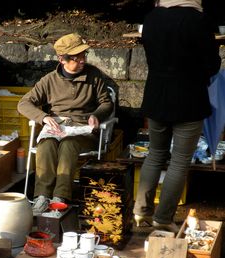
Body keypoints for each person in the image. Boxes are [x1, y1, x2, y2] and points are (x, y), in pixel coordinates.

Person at [133, 0, 221, 232]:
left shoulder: (152, 17)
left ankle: (140, 214)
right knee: (180, 161)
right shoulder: (198, 20)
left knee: (155, 154)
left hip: (156, 95)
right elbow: (211, 65)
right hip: (188, 98)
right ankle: (163, 219)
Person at [17, 33, 113, 215]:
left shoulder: (93, 76)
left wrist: (96, 115)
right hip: (57, 127)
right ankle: (41, 197)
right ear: (62, 59)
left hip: (82, 131)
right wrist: (43, 117)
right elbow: (23, 103)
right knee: (46, 145)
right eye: (77, 58)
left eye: (84, 56)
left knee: (68, 145)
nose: (83, 61)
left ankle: (60, 198)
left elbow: (106, 102)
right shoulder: (49, 80)